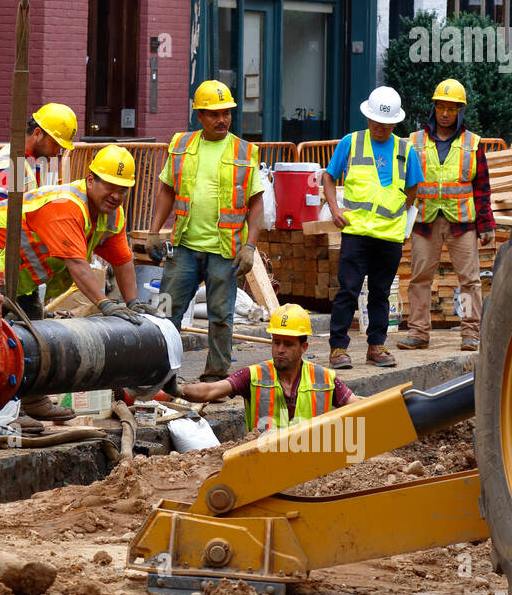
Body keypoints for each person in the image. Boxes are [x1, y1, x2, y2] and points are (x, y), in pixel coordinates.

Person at [0, 145, 149, 419]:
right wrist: (105, 305)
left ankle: (31, 401)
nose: (116, 195)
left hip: (18, 273)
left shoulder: (112, 214)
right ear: (91, 180)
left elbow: (122, 260)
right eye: (110, 186)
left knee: (31, 336)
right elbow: (77, 264)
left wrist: (133, 303)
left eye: (123, 189)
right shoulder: (67, 206)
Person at [143, 79, 264, 386]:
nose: (221, 119)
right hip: (183, 246)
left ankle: (215, 377)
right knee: (166, 310)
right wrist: (154, 232)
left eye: (226, 112)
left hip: (225, 251)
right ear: (199, 115)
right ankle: (159, 374)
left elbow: (256, 204)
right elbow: (167, 189)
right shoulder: (182, 145)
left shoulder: (244, 150)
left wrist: (250, 246)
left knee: (221, 317)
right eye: (213, 113)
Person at [321, 86, 422, 370]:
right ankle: (338, 348)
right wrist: (335, 209)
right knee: (348, 291)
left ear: (395, 122)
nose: (380, 127)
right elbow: (328, 177)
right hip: (357, 232)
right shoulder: (351, 143)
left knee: (380, 293)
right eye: (376, 121)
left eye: (387, 123)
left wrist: (400, 216)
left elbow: (413, 188)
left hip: (389, 236)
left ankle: (376, 346)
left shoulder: (405, 149)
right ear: (367, 117)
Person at [398, 79, 495, 353]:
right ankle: (418, 332)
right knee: (419, 279)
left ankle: (470, 333)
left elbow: (482, 188)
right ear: (434, 107)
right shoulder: (415, 141)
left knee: (469, 280)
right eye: (441, 106)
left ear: (459, 111)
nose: (444, 113)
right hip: (425, 221)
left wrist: (486, 225)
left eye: (451, 109)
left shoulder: (472, 143)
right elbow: (403, 183)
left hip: (461, 222)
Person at [177, 303, 355, 428]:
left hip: (310, 468)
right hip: (263, 465)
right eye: (276, 342)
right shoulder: (254, 375)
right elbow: (209, 391)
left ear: (304, 347)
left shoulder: (324, 378)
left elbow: (358, 408)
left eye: (288, 344)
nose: (280, 350)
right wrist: (175, 389)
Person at [0, 102, 78, 204]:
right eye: (55, 144)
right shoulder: (10, 166)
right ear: (37, 133)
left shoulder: (34, 160)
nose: (57, 152)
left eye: (61, 148)